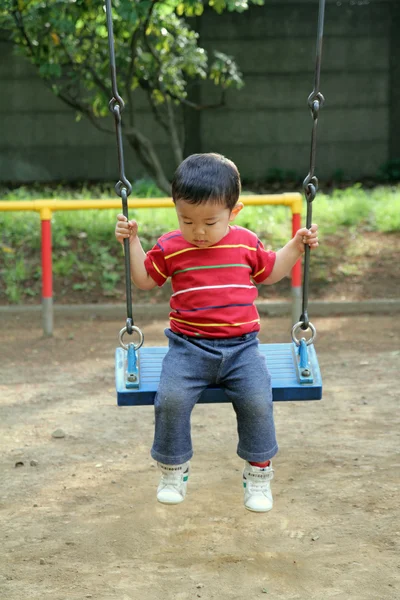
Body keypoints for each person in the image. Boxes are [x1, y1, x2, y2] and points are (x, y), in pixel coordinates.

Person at [115, 153, 319, 513]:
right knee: (171, 399)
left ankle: (258, 476)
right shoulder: (170, 246)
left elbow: (271, 272)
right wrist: (132, 243)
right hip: (187, 349)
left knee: (258, 401)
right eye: (186, 220)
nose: (198, 231)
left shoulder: (244, 243)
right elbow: (145, 281)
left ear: (233, 212)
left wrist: (296, 247)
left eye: (210, 221)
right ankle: (173, 470)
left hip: (242, 349)